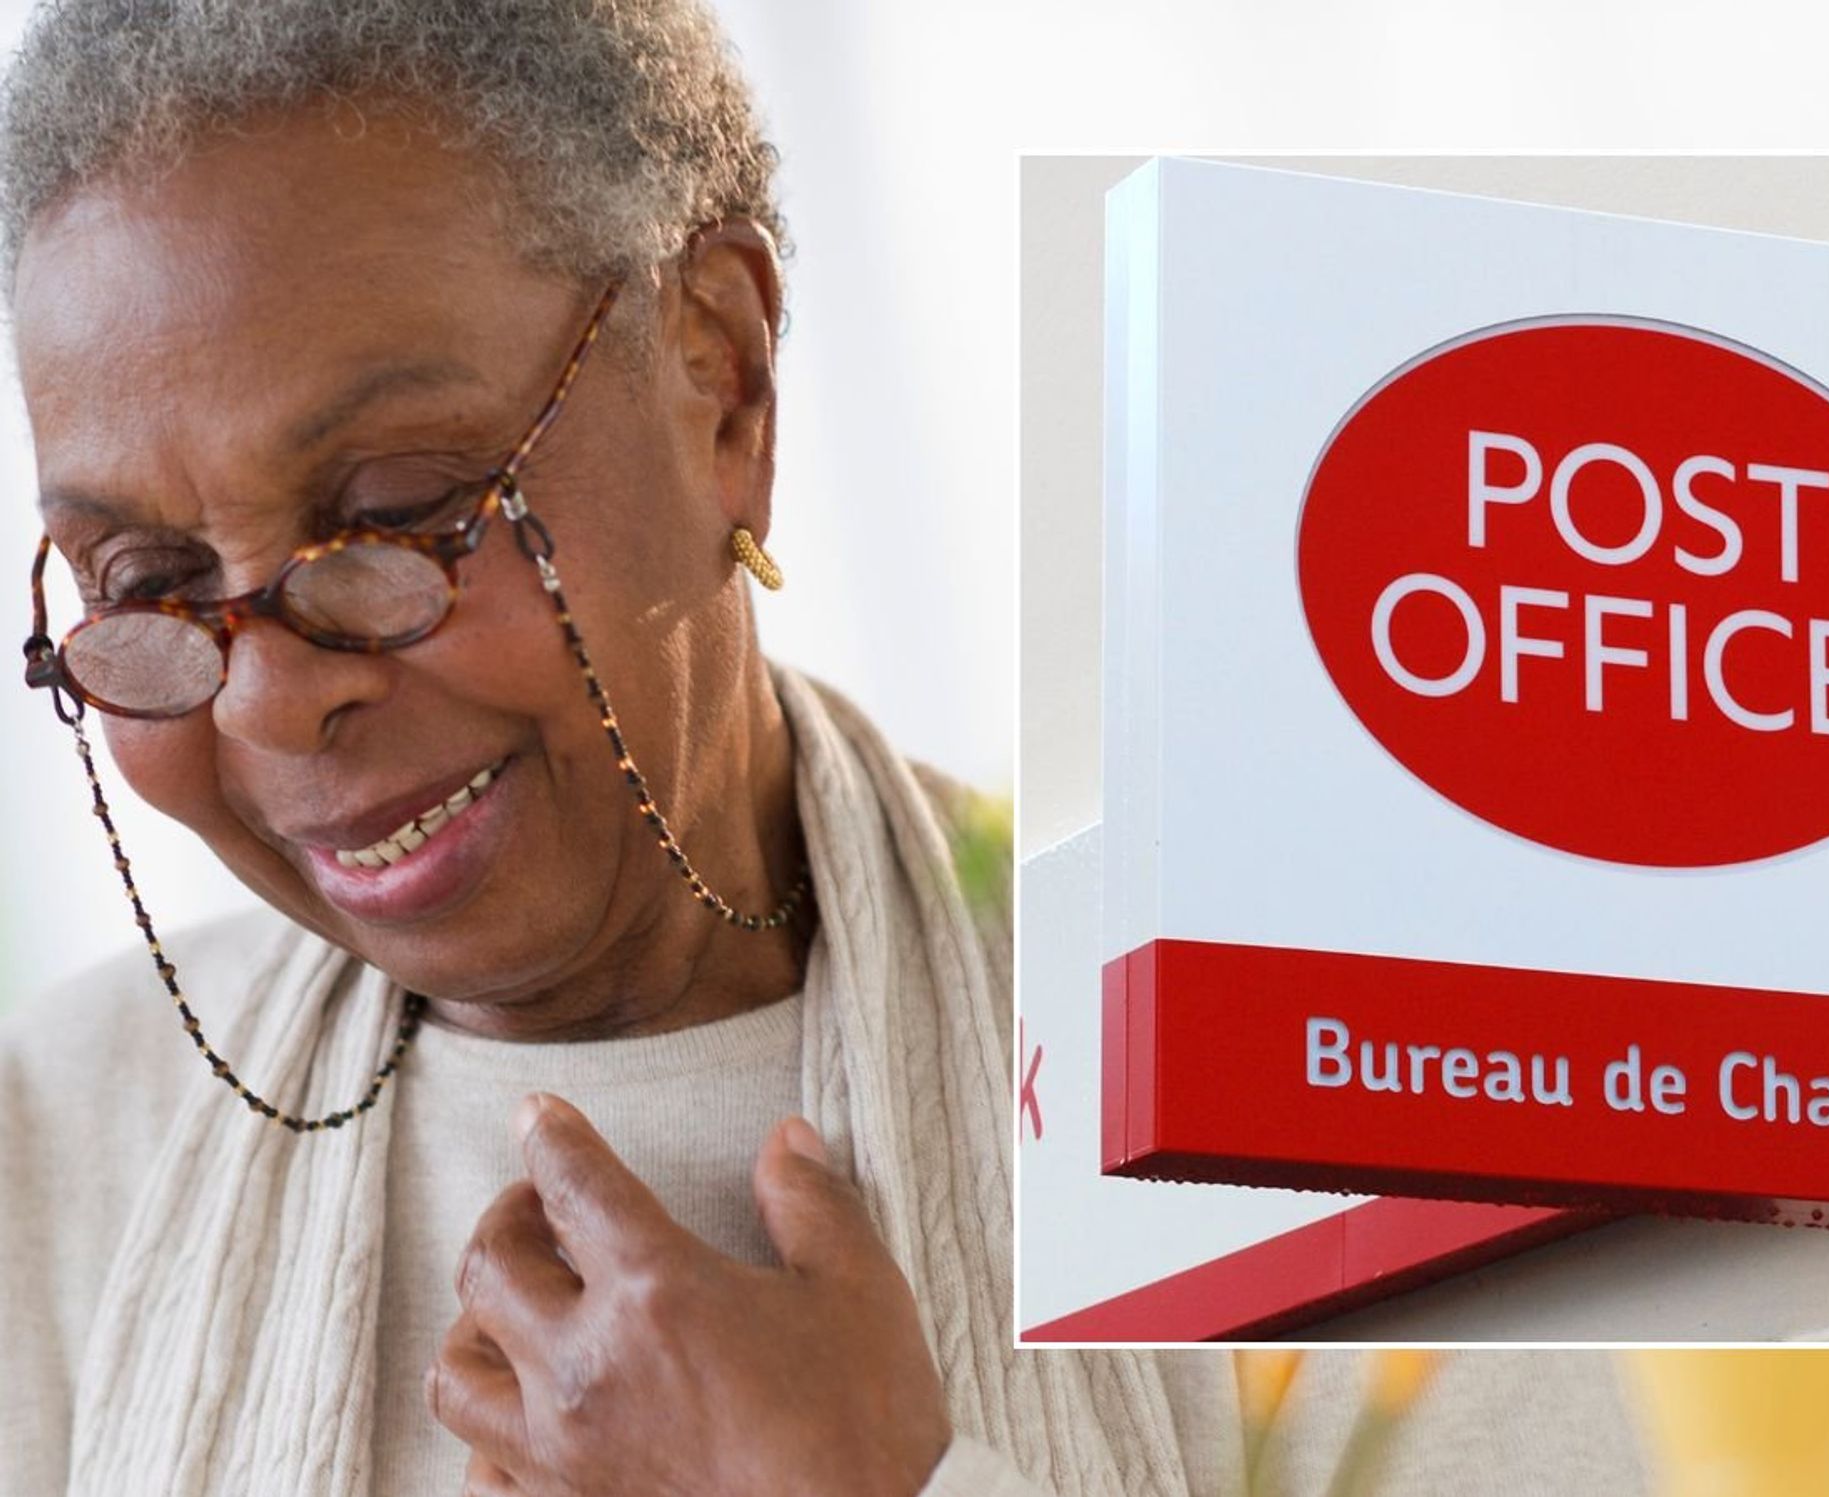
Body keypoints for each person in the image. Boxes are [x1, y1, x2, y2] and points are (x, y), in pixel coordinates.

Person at [0, 2, 1647, 1494]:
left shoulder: (1344, 1107)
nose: (269, 702)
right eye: (144, 583)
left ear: (721, 382)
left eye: (395, 512)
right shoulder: (58, 1151)